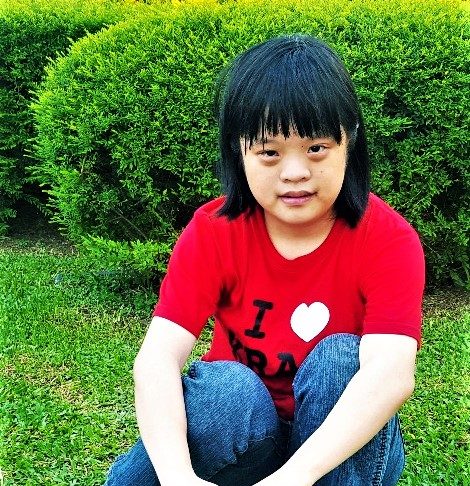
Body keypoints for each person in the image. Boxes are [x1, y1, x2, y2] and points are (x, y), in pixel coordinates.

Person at [104, 34, 425, 486]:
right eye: (269, 152)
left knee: (339, 360)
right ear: (239, 151)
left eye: (316, 148)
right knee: (225, 390)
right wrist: (176, 475)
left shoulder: (388, 239)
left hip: (340, 448)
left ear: (348, 141)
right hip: (248, 432)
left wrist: (294, 477)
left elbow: (391, 374)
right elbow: (158, 357)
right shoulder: (215, 230)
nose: (295, 173)